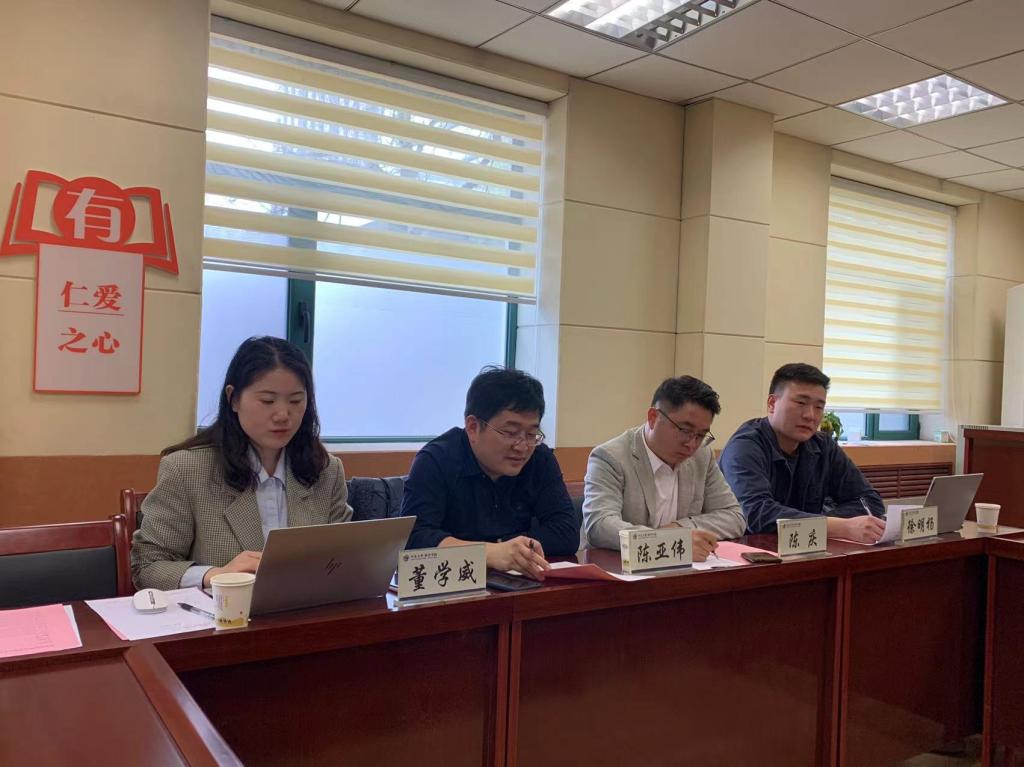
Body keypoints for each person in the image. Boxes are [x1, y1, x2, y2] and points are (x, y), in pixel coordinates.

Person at [131, 336, 352, 590]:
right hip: (223, 613)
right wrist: (216, 575)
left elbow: (344, 560)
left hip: (306, 610)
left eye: (295, 401)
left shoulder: (326, 470)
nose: (283, 415)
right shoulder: (187, 470)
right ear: (233, 398)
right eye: (267, 401)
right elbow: (147, 567)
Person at [403, 366, 580, 580]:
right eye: (510, 432)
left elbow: (566, 533)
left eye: (531, 434)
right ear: (472, 427)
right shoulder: (435, 460)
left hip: (515, 585)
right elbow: (415, 539)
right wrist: (491, 552)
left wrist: (507, 549)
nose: (522, 446)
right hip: (449, 586)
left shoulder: (540, 458)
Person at [719, 363, 886, 543]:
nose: (810, 415)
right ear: (772, 403)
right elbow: (757, 514)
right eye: (801, 403)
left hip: (806, 548)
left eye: (819, 407)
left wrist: (819, 523)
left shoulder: (823, 446)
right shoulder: (744, 447)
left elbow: (869, 501)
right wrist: (840, 527)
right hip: (751, 551)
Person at [583, 376, 746, 560]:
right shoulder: (610, 457)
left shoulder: (702, 456)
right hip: (619, 568)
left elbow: (734, 517)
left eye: (701, 435)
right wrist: (671, 542)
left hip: (685, 571)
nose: (692, 444)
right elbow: (600, 526)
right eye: (685, 431)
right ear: (653, 417)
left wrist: (679, 528)